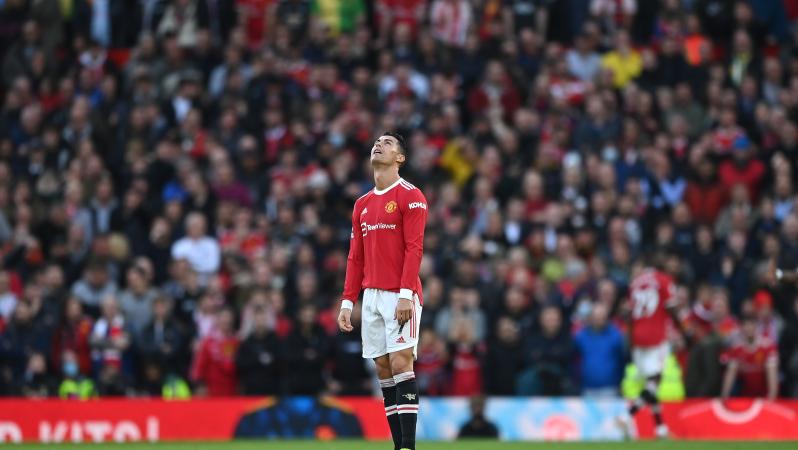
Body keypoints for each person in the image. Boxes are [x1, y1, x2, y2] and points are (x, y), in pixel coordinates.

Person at [337, 132, 428, 450]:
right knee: (383, 369)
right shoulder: (361, 204)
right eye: (377, 142)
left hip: (400, 294)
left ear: (400, 158)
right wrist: (347, 301)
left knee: (402, 363)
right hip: (371, 296)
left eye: (388, 143)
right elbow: (355, 257)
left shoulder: (411, 196)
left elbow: (415, 248)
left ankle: (408, 448)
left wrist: (405, 294)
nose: (379, 145)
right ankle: (398, 446)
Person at [617, 261, 679, 439]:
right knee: (655, 382)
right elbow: (671, 307)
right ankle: (627, 416)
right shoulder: (664, 280)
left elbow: (628, 314)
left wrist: (631, 339)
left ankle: (661, 429)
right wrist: (683, 328)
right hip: (656, 336)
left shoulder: (635, 283)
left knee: (650, 386)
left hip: (637, 338)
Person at [721, 314, 779, 399]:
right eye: (745, 325)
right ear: (741, 328)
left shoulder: (768, 347)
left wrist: (771, 397)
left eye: (751, 325)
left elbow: (772, 374)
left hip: (765, 395)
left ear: (756, 327)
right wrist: (724, 396)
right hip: (746, 396)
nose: (748, 328)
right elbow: (730, 374)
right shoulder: (736, 349)